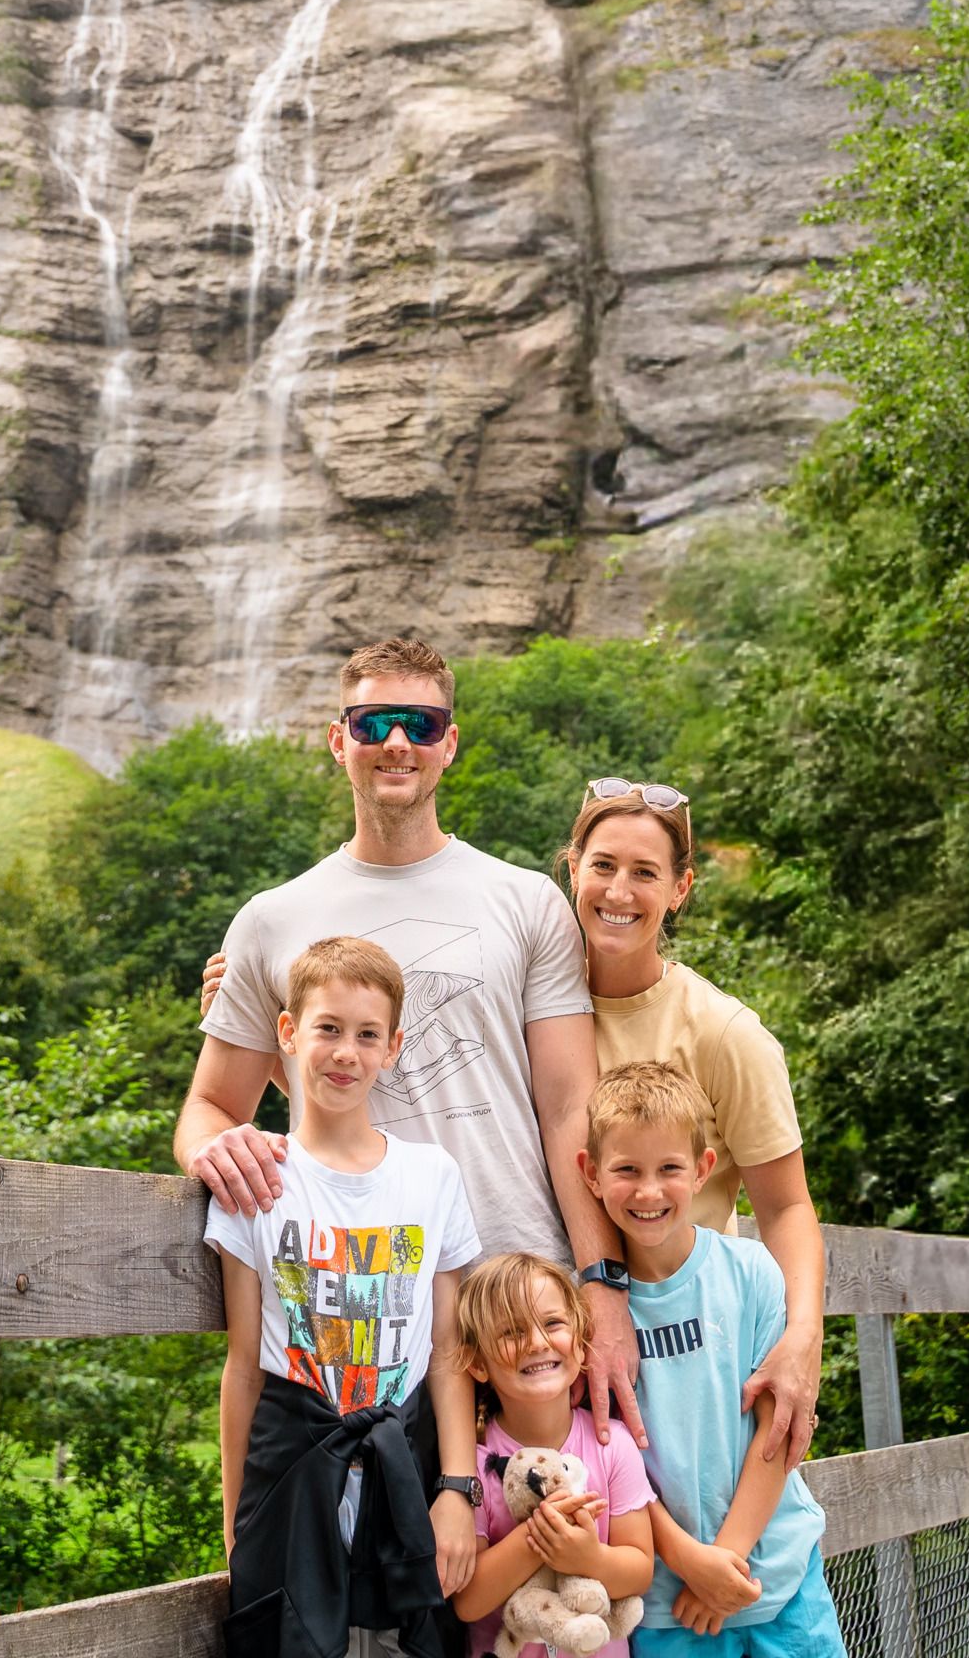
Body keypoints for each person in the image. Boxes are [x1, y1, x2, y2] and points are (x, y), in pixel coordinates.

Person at [179, 635, 645, 1489]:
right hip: (358, 1324)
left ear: (450, 743)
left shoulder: (525, 901)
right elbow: (210, 1106)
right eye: (375, 721)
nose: (398, 742)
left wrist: (602, 1284)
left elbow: (570, 1105)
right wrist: (216, 1147)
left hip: (520, 1306)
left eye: (421, 723)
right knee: (370, 1598)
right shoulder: (271, 920)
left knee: (535, 1581)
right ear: (338, 738)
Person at [210, 935, 483, 1658]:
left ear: (392, 1047)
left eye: (367, 1035)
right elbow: (243, 1365)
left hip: (406, 1473)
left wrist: (458, 1490)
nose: (345, 1052)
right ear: (289, 1033)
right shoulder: (259, 1179)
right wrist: (236, 1517)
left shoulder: (431, 1177)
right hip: (293, 1475)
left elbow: (449, 1354)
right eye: (328, 1028)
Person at [564, 781, 825, 1470]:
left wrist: (801, 1338)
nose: (619, 891)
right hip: (558, 1358)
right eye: (604, 865)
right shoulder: (531, 1011)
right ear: (572, 868)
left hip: (693, 1362)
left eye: (646, 873)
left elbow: (789, 1205)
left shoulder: (723, 1034)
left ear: (680, 888)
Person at [585, 1063, 844, 1658]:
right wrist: (689, 1562)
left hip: (777, 1574)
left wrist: (726, 1557)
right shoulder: (594, 1318)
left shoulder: (751, 1272)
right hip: (668, 1601)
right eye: (626, 1170)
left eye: (669, 1169)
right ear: (591, 1175)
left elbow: (777, 1429)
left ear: (702, 1170)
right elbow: (605, 1453)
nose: (648, 1191)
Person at [451, 1255, 654, 1658]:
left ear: (580, 1343)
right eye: (511, 1332)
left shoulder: (612, 1444)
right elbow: (468, 1601)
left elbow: (640, 1571)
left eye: (553, 1324)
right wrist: (538, 1536)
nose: (537, 1343)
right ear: (477, 1363)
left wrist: (588, 1556)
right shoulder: (474, 1463)